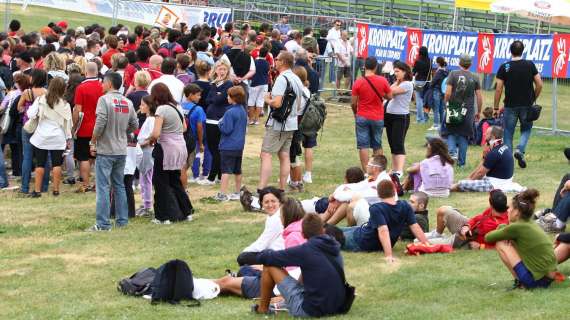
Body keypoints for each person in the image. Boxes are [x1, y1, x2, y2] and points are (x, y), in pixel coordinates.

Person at [252, 213, 347, 317]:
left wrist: (248, 257)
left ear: (303, 234)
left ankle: (263, 309)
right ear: (322, 230)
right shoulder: (334, 248)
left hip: (312, 310)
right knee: (307, 267)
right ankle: (287, 302)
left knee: (269, 266)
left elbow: (270, 258)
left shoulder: (306, 250)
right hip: (338, 306)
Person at [87, 72, 138, 231]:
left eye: (103, 83)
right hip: (121, 149)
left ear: (109, 84)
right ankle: (122, 221)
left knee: (103, 187)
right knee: (119, 185)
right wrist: (123, 131)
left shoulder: (104, 100)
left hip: (106, 149)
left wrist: (93, 140)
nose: (101, 85)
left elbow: (100, 122)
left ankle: (103, 223)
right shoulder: (127, 101)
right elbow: (134, 124)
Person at [485, 189, 558, 289]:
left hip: (537, 282)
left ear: (517, 212)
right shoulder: (531, 223)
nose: (507, 210)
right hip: (549, 277)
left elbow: (488, 237)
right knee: (511, 240)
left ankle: (520, 283)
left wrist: (503, 229)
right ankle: (524, 281)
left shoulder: (516, 227)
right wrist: (504, 229)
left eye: (510, 207)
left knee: (500, 243)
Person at [340, 180, 429, 261]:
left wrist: (389, 255)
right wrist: (426, 244)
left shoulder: (376, 208)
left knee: (331, 235)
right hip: (362, 231)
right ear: (394, 192)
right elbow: (415, 226)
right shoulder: (405, 205)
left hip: (361, 241)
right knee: (335, 229)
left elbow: (383, 231)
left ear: (378, 194)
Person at [145, 83, 194, 224]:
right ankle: (186, 211)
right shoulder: (177, 106)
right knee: (175, 180)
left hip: (166, 148)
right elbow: (184, 127)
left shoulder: (161, 109)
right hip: (179, 146)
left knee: (161, 182)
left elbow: (156, 132)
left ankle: (163, 216)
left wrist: (150, 140)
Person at [259, 51, 303, 191]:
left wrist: (267, 99)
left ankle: (261, 188)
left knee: (265, 154)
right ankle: (282, 188)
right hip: (291, 122)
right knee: (284, 155)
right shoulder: (296, 78)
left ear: (283, 62)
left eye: (277, 59)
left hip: (279, 123)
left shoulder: (282, 78)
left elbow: (277, 103)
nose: (275, 61)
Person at [494, 40, 542, 169]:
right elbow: (539, 84)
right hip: (527, 104)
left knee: (508, 132)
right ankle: (520, 150)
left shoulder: (505, 66)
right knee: (526, 129)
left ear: (510, 51)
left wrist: (496, 107)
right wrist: (533, 98)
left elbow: (498, 88)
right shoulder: (529, 65)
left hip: (510, 105)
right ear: (523, 51)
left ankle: (508, 161)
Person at [26, 77, 72, 197]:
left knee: (40, 164)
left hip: (41, 136)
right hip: (58, 136)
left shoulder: (41, 99)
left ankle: (37, 191)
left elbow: (30, 114)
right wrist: (68, 138)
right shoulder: (65, 104)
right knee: (56, 164)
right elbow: (68, 123)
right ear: (63, 89)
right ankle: (56, 190)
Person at [423, 189, 509, 249]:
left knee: (420, 242)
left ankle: (443, 239)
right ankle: (438, 234)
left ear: (492, 205)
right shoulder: (491, 210)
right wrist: (467, 226)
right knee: (443, 210)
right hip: (468, 229)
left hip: (468, 240)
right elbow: (476, 218)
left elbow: (505, 245)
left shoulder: (502, 225)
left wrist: (481, 247)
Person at [451, 126, 523, 193]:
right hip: (503, 180)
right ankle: (452, 186)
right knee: (464, 182)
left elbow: (480, 174)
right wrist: (469, 178)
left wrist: (468, 182)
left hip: (495, 184)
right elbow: (481, 169)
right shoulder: (503, 147)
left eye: (487, 133)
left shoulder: (494, 153)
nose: (484, 134)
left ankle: (447, 189)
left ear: (493, 137)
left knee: (462, 184)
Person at [351, 56, 392, 171]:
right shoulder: (382, 80)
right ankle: (378, 170)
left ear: (364, 66)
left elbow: (353, 103)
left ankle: (366, 171)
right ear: (375, 67)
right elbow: (390, 96)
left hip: (362, 115)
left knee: (363, 145)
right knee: (377, 144)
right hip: (377, 117)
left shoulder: (358, 82)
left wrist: (356, 113)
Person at [443, 53, 483, 167]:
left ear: (459, 62)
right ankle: (461, 163)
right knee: (464, 135)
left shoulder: (453, 74)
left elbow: (448, 93)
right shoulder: (475, 77)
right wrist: (478, 111)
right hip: (468, 110)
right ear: (470, 64)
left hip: (454, 107)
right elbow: (479, 96)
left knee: (450, 131)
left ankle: (452, 153)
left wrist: (446, 103)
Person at [198, 60, 233, 186]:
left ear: (227, 71)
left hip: (219, 119)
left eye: (224, 69)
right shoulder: (214, 84)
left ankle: (212, 177)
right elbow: (207, 99)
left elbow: (219, 100)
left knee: (216, 149)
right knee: (213, 148)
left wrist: (216, 95)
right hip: (210, 118)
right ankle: (218, 175)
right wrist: (215, 92)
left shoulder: (228, 84)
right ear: (215, 70)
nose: (221, 71)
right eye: (219, 69)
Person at [18, 69, 50, 195]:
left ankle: (25, 187)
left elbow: (19, 107)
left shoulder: (27, 92)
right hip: (42, 127)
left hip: (28, 126)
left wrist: (26, 110)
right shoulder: (47, 93)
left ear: (33, 78)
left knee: (27, 157)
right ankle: (44, 186)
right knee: (44, 158)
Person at [73, 62, 104, 193]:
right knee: (99, 157)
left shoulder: (81, 87)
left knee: (84, 157)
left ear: (85, 72)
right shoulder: (103, 86)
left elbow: (78, 110)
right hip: (100, 127)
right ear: (97, 71)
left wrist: (74, 126)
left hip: (85, 127)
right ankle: (98, 184)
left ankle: (85, 184)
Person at [237, 187, 285, 266]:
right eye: (266, 202)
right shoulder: (273, 216)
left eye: (273, 201)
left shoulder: (277, 218)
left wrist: (245, 251)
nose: (270, 205)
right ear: (261, 203)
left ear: (279, 202)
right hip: (275, 253)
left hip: (278, 255)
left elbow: (262, 244)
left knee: (242, 258)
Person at [215, 86, 247, 202]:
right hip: (239, 145)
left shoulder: (230, 112)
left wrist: (220, 124)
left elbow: (227, 129)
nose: (227, 97)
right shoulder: (243, 110)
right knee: (237, 170)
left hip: (228, 146)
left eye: (229, 96)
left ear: (233, 98)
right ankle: (238, 192)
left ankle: (223, 194)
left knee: (225, 171)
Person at [384, 60, 413, 178]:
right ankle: (394, 168)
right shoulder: (398, 83)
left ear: (405, 72)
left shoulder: (407, 84)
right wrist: (397, 81)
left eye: (398, 71)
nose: (395, 73)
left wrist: (396, 83)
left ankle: (399, 170)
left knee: (398, 143)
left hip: (400, 117)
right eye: (394, 71)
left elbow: (390, 92)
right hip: (390, 115)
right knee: (392, 144)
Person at [288, 66, 312, 192]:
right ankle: (294, 182)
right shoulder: (306, 91)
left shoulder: (299, 91)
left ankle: (298, 182)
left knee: (293, 156)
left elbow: (293, 109)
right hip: (298, 125)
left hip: (294, 125)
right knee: (292, 155)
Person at [181, 84, 208, 185]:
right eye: (197, 95)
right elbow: (200, 127)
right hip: (192, 139)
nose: (199, 97)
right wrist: (201, 143)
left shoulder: (179, 105)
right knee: (189, 161)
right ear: (190, 95)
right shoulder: (198, 109)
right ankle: (191, 179)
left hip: (180, 137)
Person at [135, 95, 155, 217]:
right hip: (144, 151)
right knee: (144, 179)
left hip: (147, 151)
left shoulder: (151, 120)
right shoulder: (148, 119)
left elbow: (152, 137)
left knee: (146, 179)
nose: (140, 107)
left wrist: (140, 145)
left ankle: (147, 205)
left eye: (143, 104)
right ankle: (145, 203)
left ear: (149, 106)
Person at [248, 47, 270, 125]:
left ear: (259, 53)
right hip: (264, 83)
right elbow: (268, 72)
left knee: (251, 101)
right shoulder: (267, 63)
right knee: (260, 102)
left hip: (255, 83)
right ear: (266, 54)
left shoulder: (255, 62)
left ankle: (250, 120)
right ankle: (256, 120)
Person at [412, 46, 430, 124]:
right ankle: (425, 117)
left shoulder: (418, 61)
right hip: (427, 81)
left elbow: (413, 72)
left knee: (419, 100)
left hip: (419, 81)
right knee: (425, 100)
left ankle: (420, 119)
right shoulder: (430, 60)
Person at [430, 57, 448, 130]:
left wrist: (431, 85)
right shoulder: (446, 72)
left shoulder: (439, 72)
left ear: (438, 63)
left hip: (437, 91)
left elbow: (433, 82)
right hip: (443, 91)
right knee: (441, 109)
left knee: (436, 109)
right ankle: (442, 123)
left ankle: (436, 124)